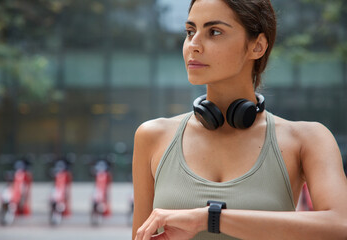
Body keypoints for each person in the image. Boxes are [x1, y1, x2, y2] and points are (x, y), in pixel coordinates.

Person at [132, 0, 347, 239]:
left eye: (214, 32)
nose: (193, 45)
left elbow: (340, 225)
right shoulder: (152, 136)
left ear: (257, 46)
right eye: (190, 31)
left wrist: (209, 218)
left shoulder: (307, 139)